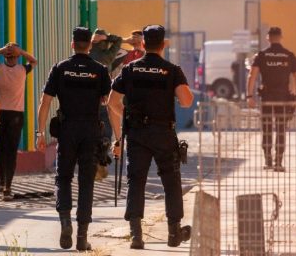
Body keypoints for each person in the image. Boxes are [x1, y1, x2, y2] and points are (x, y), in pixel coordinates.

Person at [107, 25, 194, 249]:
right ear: (163, 44)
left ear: (143, 44)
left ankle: (136, 236)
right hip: (164, 133)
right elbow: (186, 101)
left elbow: (112, 102)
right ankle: (174, 232)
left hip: (137, 134)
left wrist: (129, 116)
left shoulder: (129, 70)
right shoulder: (172, 70)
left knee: (136, 182)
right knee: (171, 182)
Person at [36, 27, 111, 251]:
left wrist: (40, 133)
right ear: (89, 45)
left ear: (72, 44)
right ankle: (82, 237)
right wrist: (116, 136)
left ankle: (65, 221)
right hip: (90, 130)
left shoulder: (60, 68)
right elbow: (109, 103)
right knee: (86, 182)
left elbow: (45, 102)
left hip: (67, 129)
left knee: (63, 177)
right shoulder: (100, 69)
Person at [0, 42, 37, 200]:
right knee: (10, 150)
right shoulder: (22, 69)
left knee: (2, 149)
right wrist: (21, 52)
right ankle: (7, 185)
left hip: (0, 113)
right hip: (15, 114)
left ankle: (3, 182)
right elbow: (34, 61)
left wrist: (1, 50)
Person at [247, 27, 296, 172]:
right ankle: (278, 161)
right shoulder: (288, 55)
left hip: (267, 97)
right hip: (283, 98)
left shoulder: (262, 55)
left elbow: (252, 76)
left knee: (266, 129)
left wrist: (249, 96)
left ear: (268, 38)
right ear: (281, 37)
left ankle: (268, 160)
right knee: (281, 128)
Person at [89, 29, 123, 181]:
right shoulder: (106, 56)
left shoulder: (88, 55)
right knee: (106, 132)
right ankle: (101, 160)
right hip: (103, 99)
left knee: (91, 132)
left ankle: (93, 163)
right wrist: (109, 37)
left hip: (87, 102)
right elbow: (119, 40)